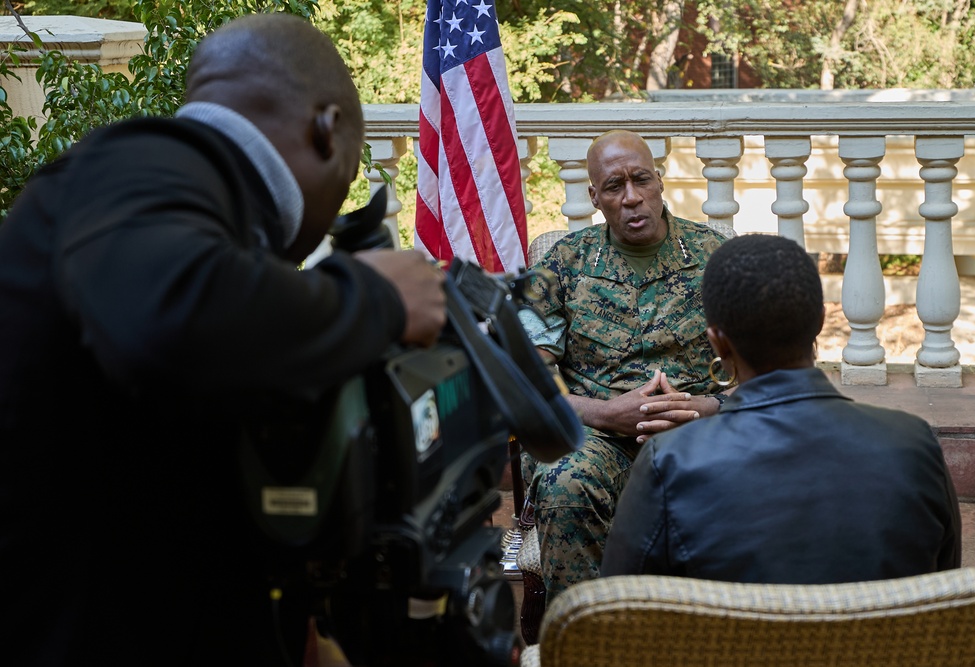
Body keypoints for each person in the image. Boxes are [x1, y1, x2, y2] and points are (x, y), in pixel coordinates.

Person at [0, 13, 446, 667]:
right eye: (348, 179)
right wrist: (376, 296)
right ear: (327, 130)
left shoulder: (187, 201)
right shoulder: (145, 161)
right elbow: (169, 320)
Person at [601, 233, 961, 582]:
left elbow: (617, 611)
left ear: (718, 343)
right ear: (820, 321)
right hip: (881, 644)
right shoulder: (915, 446)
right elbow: (943, 593)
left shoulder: (669, 462)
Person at [518, 129, 730, 605]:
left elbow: (768, 372)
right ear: (595, 197)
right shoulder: (560, 265)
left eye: (641, 180)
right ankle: (591, 640)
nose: (632, 198)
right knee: (565, 481)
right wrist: (604, 413)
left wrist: (702, 407)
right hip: (598, 439)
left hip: (697, 434)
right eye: (615, 186)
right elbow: (524, 378)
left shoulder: (716, 257)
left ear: (660, 182)